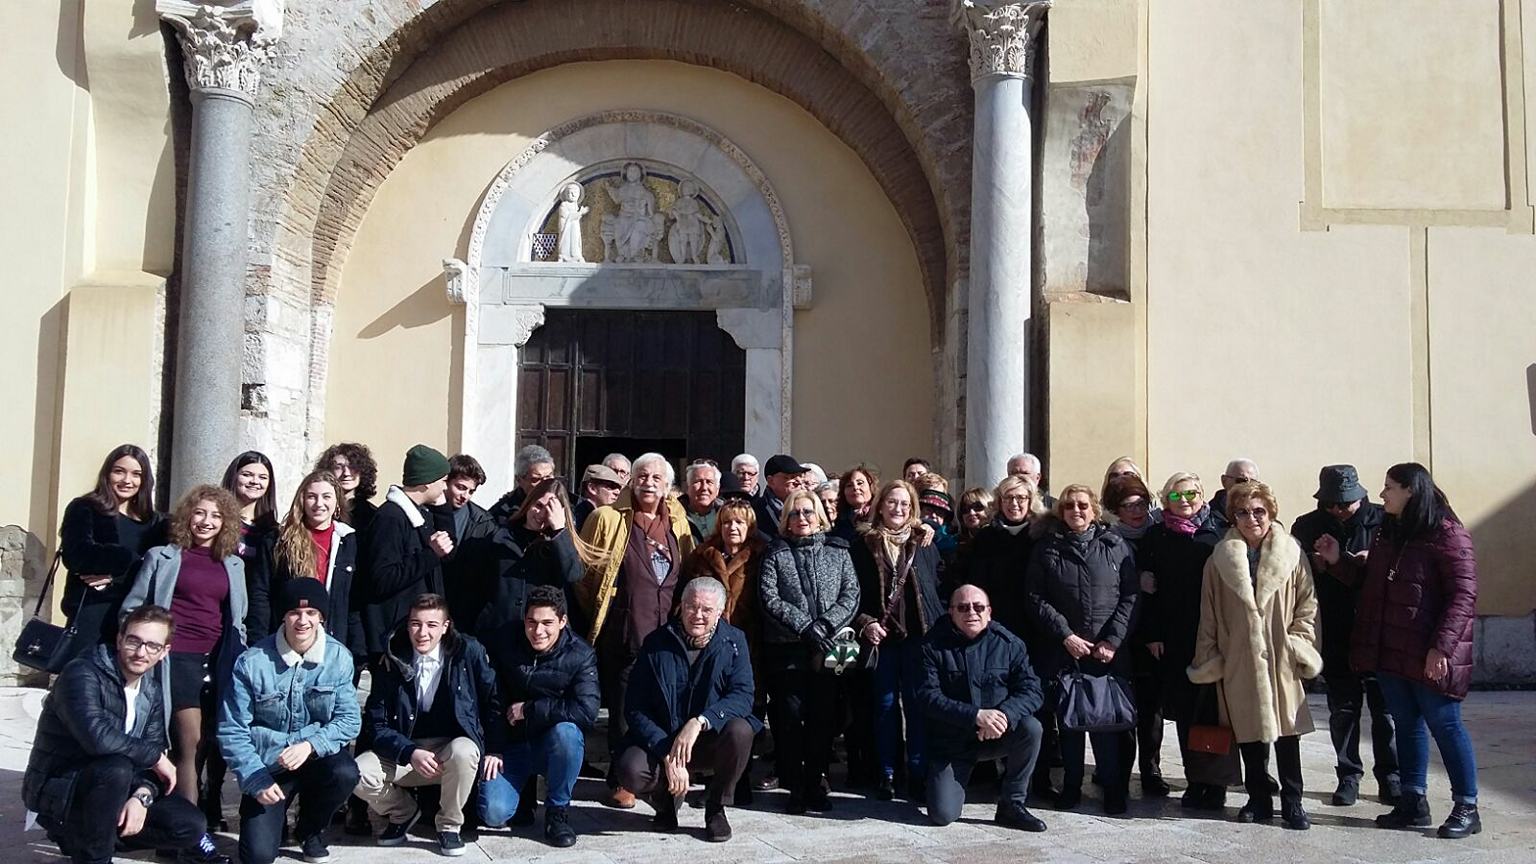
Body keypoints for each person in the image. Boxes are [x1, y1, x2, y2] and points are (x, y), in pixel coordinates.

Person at [1315, 463, 1481, 839]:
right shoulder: (1390, 531)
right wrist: (1338, 560)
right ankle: (1413, 800)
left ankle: (1467, 806)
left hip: (1429, 651)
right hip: (1391, 649)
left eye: (1390, 487)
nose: (1383, 493)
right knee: (1406, 725)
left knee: (1446, 724)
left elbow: (1463, 595)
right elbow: (1373, 583)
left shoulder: (1446, 533)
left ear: (1411, 490)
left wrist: (1442, 647)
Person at [24, 605, 225, 864]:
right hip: (64, 794)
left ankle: (89, 841)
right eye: (134, 641)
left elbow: (152, 755)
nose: (141, 653)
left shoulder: (150, 690)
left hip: (115, 792)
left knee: (189, 824)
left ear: (164, 652)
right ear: (119, 639)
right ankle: (91, 853)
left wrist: (142, 796)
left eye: (152, 646)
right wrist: (156, 757)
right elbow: (97, 738)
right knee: (116, 767)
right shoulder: (81, 673)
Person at [1188, 481, 1320, 830]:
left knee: (1287, 734)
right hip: (1239, 659)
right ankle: (1258, 797)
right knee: (1248, 735)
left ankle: (1293, 801)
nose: (1251, 519)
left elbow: (1308, 604)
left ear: (1271, 512)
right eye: (1243, 513)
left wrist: (1298, 643)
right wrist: (1211, 658)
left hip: (1281, 657)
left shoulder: (1291, 553)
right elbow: (1209, 614)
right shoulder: (1219, 559)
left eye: (1258, 511)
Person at [121, 484, 249, 827]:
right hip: (175, 658)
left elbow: (237, 616)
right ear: (187, 516)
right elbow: (132, 609)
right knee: (188, 742)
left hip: (219, 659)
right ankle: (190, 833)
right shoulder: (162, 557)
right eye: (200, 512)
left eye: (216, 515)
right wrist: (145, 648)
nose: (206, 521)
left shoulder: (233, 563)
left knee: (209, 739)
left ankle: (186, 816)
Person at [577, 451, 696, 808]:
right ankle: (621, 779)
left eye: (656, 479)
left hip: (669, 636)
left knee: (666, 707)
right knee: (625, 711)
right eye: (642, 476)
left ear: (668, 487)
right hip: (625, 633)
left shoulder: (678, 520)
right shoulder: (606, 518)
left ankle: (662, 777)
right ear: (631, 481)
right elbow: (584, 578)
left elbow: (688, 568)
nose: (648, 483)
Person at [218, 578, 362, 864]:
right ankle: (275, 818)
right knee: (257, 857)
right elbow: (232, 729)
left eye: (311, 614)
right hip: (268, 765)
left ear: (321, 617)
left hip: (315, 758)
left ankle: (310, 828)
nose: (303, 621)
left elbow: (349, 720)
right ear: (283, 615)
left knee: (345, 772)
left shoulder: (338, 657)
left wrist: (310, 745)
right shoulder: (252, 662)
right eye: (295, 612)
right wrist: (254, 778)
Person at [355, 593, 500, 856]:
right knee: (357, 772)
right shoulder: (391, 658)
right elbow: (376, 723)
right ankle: (403, 813)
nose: (422, 632)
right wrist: (409, 751)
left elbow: (493, 702)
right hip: (405, 752)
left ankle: (449, 826)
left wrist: (495, 749)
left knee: (465, 751)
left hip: (450, 750)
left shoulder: (469, 653)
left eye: (432, 625)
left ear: (445, 627)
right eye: (415, 624)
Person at [615, 578, 759, 842]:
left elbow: (743, 695)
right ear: (680, 607)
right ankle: (665, 802)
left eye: (706, 609)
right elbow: (635, 707)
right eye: (691, 607)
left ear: (720, 613)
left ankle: (716, 807)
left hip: (708, 739)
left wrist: (701, 721)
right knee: (629, 768)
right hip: (663, 738)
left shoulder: (735, 642)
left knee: (741, 730)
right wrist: (666, 752)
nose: (698, 615)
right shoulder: (656, 643)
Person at [1025, 485, 1138, 814]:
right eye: (1069, 505)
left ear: (1095, 510)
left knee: (1105, 723)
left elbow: (1130, 596)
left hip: (1106, 651)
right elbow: (1035, 597)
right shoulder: (1047, 548)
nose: (1076, 510)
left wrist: (1113, 641)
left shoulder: (1116, 546)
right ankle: (1071, 786)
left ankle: (1114, 789)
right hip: (1066, 651)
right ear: (1061, 512)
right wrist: (1065, 635)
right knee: (1070, 722)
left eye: (1083, 505)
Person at [1290, 465, 1398, 807]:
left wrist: (1366, 562)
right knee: (1343, 709)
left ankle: (1391, 776)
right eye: (1332, 504)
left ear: (1360, 496)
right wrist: (1315, 564)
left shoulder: (1385, 522)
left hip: (1379, 630)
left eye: (1346, 503)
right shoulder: (1307, 526)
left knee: (1385, 711)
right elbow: (1298, 576)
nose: (1338, 509)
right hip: (1335, 630)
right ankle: (1348, 774)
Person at [757, 488, 860, 813]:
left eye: (807, 512)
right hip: (788, 650)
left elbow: (851, 593)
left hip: (831, 649)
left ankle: (816, 781)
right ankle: (794, 785)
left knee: (823, 719)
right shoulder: (775, 552)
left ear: (820, 516)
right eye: (794, 513)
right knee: (789, 718)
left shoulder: (838, 551)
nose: (801, 518)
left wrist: (826, 626)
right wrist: (805, 627)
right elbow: (769, 597)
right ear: (786, 519)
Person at [917, 584, 1047, 832]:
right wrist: (976, 716)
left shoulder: (1009, 644)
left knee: (1032, 728)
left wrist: (1004, 716)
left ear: (989, 612)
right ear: (951, 612)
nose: (971, 613)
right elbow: (927, 696)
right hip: (953, 742)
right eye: (963, 608)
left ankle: (1012, 804)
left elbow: (1032, 690)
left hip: (998, 734)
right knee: (943, 815)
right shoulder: (931, 646)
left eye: (978, 607)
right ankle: (941, 781)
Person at [479, 585, 599, 847]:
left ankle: (557, 812)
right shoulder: (505, 642)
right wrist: (494, 748)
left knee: (568, 734)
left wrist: (530, 709)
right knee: (493, 813)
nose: (538, 631)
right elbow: (492, 700)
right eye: (531, 622)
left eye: (547, 623)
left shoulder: (581, 654)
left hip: (549, 743)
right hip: (511, 744)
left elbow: (587, 711)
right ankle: (521, 792)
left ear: (563, 622)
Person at [850, 480, 944, 802]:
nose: (898, 509)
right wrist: (865, 623)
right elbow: (854, 593)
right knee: (886, 707)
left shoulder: (924, 543)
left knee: (918, 707)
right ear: (880, 506)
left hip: (919, 639)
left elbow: (938, 588)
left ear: (913, 509)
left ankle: (918, 772)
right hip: (884, 641)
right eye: (892, 502)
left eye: (905, 504)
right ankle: (887, 771)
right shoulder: (865, 543)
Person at [1137, 471, 1227, 809]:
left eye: (1191, 494)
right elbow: (1146, 592)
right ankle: (1195, 780)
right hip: (1172, 638)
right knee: (1186, 714)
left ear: (1202, 496)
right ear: (1166, 500)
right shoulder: (1155, 537)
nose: (1185, 501)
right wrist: (1153, 634)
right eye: (1176, 496)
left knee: (1214, 714)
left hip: (1212, 637)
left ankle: (1215, 782)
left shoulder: (1217, 534)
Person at [59, 444, 166, 652]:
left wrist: (115, 574)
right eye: (119, 471)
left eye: (136, 474)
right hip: (92, 613)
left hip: (136, 620)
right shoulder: (85, 508)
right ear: (107, 474)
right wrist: (130, 561)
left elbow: (159, 570)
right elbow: (78, 556)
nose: (127, 480)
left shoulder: (156, 523)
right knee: (84, 679)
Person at [359, 444, 456, 665]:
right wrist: (430, 554)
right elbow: (382, 578)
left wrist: (442, 510)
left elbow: (448, 553)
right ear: (427, 482)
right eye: (443, 480)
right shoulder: (391, 518)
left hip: (414, 634)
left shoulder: (421, 513)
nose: (445, 487)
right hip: (394, 637)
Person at [248, 470, 363, 653]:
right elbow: (260, 593)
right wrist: (258, 641)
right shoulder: (278, 540)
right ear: (302, 500)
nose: (319, 504)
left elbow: (353, 600)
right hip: (284, 641)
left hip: (331, 643)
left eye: (326, 497)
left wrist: (358, 649)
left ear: (337, 503)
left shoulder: (349, 541)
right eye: (311, 496)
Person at [1101, 474, 1166, 796]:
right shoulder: (1109, 539)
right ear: (1116, 509)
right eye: (1129, 505)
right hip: (1121, 631)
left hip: (1152, 632)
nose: (1137, 510)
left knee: (1152, 707)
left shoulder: (1157, 535)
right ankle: (1117, 770)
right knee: (1122, 705)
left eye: (1142, 503)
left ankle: (1151, 768)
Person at [435, 454, 499, 628]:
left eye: (471, 491)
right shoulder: (425, 514)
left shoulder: (483, 522)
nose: (465, 496)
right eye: (460, 487)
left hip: (465, 611)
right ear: (445, 482)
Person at [222, 450, 278, 564]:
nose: (255, 481)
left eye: (262, 477)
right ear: (234, 477)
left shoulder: (272, 532)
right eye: (247, 475)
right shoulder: (217, 521)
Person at [316, 442, 380, 537]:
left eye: (353, 467)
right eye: (338, 467)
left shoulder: (372, 515)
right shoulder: (319, 509)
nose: (346, 473)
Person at [489, 444, 557, 522]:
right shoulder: (503, 512)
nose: (544, 483)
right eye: (536, 479)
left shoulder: (568, 504)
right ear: (519, 480)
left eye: (548, 476)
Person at [753, 453, 808, 541]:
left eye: (800, 476)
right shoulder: (755, 512)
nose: (798, 482)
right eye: (791, 477)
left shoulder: (810, 507)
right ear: (771, 481)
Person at [1208, 458, 1259, 534]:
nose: (1247, 486)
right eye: (1241, 480)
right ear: (1224, 481)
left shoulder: (1263, 518)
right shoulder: (1208, 519)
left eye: (1252, 482)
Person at [832, 463, 879, 542]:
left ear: (871, 486)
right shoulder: (839, 521)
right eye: (849, 485)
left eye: (860, 483)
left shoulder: (881, 515)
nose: (855, 487)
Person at [573, 463, 623, 531]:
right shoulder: (576, 517)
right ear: (592, 488)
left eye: (619, 488)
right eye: (611, 486)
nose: (617, 492)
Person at [682, 459, 723, 541]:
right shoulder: (675, 516)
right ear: (687, 487)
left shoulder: (727, 516)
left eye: (709, 482)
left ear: (717, 489)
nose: (704, 488)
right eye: (698, 482)